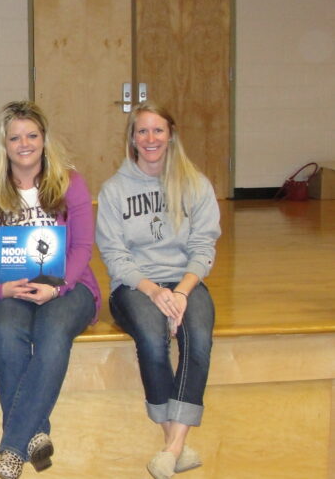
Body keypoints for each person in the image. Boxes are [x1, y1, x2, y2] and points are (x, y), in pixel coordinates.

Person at [0, 101, 101, 479]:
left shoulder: (71, 183)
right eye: (15, 138)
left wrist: (57, 289)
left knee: (53, 331)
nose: (24, 144)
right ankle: (35, 433)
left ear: (44, 139)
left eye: (32, 135)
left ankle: (13, 446)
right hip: (7, 287)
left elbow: (82, 248)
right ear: (3, 144)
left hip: (67, 287)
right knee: (7, 333)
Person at [96, 101, 220, 479]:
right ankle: (174, 441)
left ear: (171, 135)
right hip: (134, 285)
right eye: (142, 131)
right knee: (152, 338)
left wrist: (181, 292)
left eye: (158, 130)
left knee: (198, 338)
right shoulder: (114, 190)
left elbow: (204, 247)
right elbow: (114, 255)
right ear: (132, 138)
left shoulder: (196, 184)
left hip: (185, 282)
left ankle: (173, 447)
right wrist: (153, 291)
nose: (150, 138)